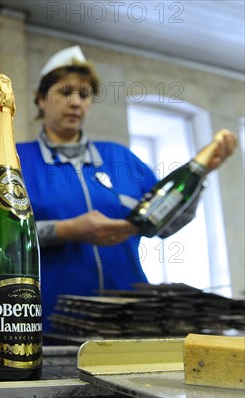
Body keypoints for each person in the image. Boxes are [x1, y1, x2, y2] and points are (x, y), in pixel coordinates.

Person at [16, 45, 237, 333]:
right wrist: (66, 230)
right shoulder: (18, 160)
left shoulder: (120, 158)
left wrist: (202, 173)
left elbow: (164, 223)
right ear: (42, 99)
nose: (75, 103)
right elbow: (4, 239)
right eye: (65, 92)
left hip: (128, 319)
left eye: (84, 95)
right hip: (50, 321)